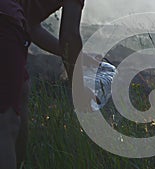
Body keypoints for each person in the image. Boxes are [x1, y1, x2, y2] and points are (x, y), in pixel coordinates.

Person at [0, 0, 115, 168]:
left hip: (10, 24)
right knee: (6, 123)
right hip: (5, 25)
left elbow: (32, 27)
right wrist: (78, 89)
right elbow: (69, 36)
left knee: (22, 92)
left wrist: (81, 59)